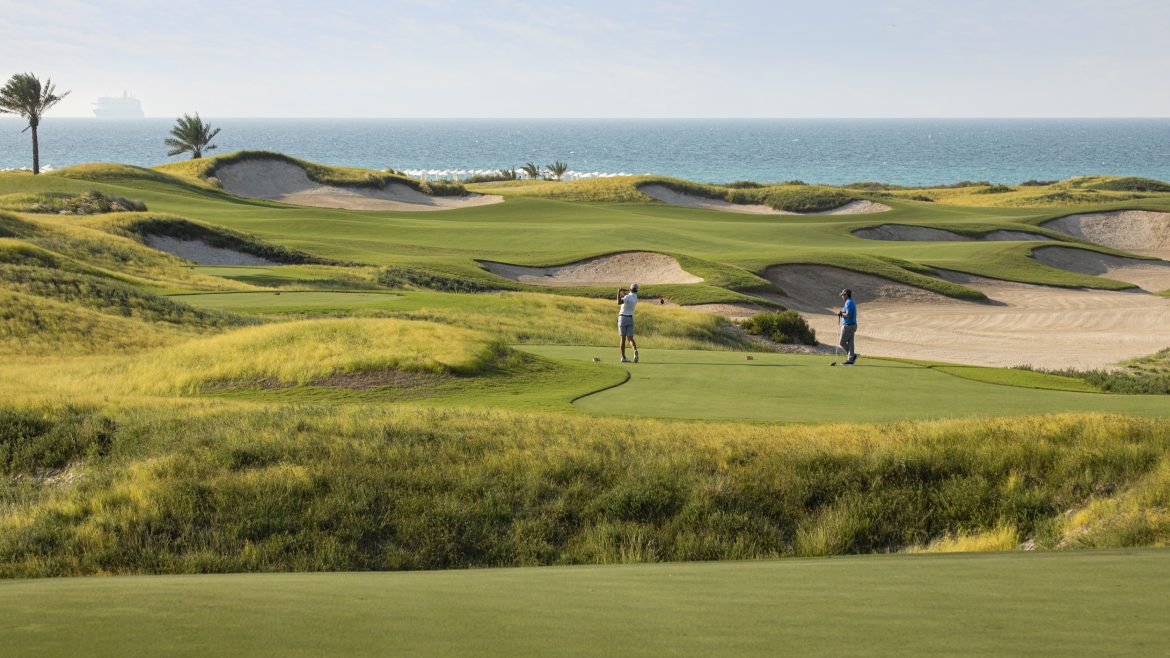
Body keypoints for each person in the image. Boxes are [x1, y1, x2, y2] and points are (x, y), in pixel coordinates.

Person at [617, 283, 639, 363]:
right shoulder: (635, 298)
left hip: (622, 318)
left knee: (623, 339)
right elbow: (626, 298)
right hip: (630, 318)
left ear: (630, 289)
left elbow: (619, 302)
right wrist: (622, 293)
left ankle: (623, 357)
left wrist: (618, 292)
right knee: (630, 338)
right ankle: (635, 350)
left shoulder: (627, 297)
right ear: (636, 290)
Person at [837, 288, 858, 365]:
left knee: (842, 342)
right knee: (850, 343)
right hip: (853, 325)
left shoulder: (848, 302)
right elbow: (847, 312)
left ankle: (851, 357)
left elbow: (849, 315)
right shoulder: (850, 301)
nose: (842, 296)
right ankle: (851, 358)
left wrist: (842, 314)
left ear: (846, 295)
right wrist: (842, 312)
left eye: (843, 295)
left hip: (848, 326)